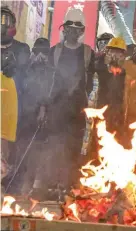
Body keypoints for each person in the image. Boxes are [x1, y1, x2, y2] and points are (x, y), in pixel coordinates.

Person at [31, 7, 95, 198]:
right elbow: (46, 82)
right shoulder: (55, 52)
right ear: (64, 29)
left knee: (74, 148)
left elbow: (91, 84)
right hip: (56, 109)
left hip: (77, 110)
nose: (73, 31)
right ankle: (47, 187)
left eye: (77, 27)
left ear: (82, 31)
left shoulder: (88, 54)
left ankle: (68, 187)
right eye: (70, 27)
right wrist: (43, 108)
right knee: (53, 146)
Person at [1, 6, 30, 192]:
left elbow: (24, 71)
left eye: (6, 21)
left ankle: (6, 185)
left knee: (7, 148)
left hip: (11, 106)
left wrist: (14, 65)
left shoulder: (21, 48)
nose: (3, 26)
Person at [20, 38, 54, 195]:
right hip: (25, 115)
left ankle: (37, 184)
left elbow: (48, 93)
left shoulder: (50, 71)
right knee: (24, 150)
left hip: (42, 116)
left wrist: (43, 109)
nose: (41, 55)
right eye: (37, 51)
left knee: (40, 150)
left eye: (44, 52)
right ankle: (25, 183)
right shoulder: (27, 69)